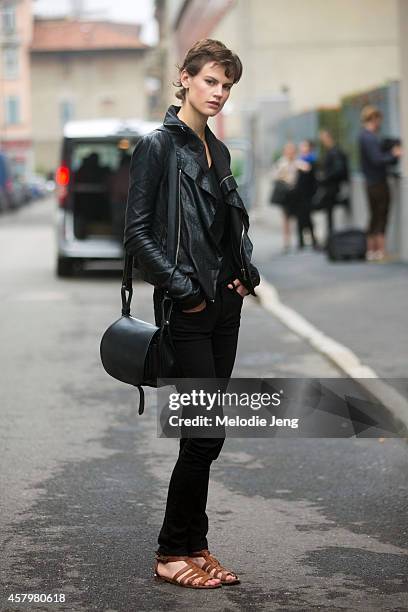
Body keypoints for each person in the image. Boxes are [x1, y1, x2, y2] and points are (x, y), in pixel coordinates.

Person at [123, 39, 260, 590]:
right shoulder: (157, 146)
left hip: (223, 307)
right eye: (210, 82)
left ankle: (194, 543)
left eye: (226, 86)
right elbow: (137, 235)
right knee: (201, 434)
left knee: (209, 432)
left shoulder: (218, 152)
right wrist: (186, 291)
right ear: (184, 79)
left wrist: (242, 273)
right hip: (189, 308)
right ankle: (169, 552)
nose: (219, 94)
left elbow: (226, 229)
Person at [359, 105, 402, 261]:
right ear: (374, 119)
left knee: (374, 215)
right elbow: (377, 159)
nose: (380, 123)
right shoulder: (369, 137)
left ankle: (372, 251)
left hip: (370, 181)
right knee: (381, 215)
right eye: (378, 120)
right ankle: (379, 251)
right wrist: (393, 155)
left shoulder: (364, 136)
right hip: (378, 181)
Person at [318, 129, 349, 239]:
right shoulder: (330, 151)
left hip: (333, 187)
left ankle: (332, 239)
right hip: (330, 186)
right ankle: (330, 238)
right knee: (329, 215)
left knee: (331, 214)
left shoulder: (335, 151)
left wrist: (325, 177)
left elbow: (338, 170)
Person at [270, 142, 299, 253]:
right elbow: (274, 176)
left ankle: (297, 239)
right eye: (289, 150)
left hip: (295, 193)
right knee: (286, 218)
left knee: (295, 217)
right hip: (286, 194)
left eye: (292, 150)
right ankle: (287, 242)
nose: (291, 153)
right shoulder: (281, 163)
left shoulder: (297, 162)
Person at [295, 140, 319, 249]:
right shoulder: (300, 160)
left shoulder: (311, 160)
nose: (302, 148)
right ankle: (301, 241)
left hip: (308, 194)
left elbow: (308, 169)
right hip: (299, 194)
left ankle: (313, 240)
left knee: (308, 218)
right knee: (300, 218)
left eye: (304, 146)